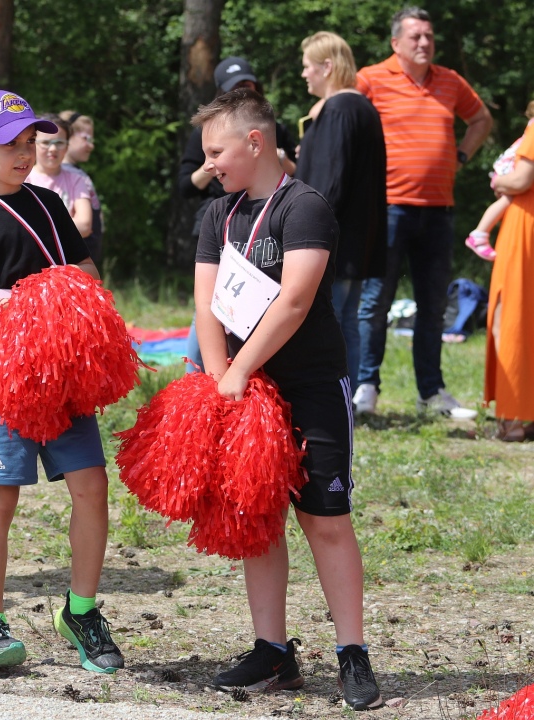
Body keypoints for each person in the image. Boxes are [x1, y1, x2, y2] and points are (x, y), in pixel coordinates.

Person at [192, 88, 381, 711]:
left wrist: (241, 368)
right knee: (259, 518)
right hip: (244, 387)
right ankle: (273, 651)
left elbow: (294, 301)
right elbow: (206, 304)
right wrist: (222, 377)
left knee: (325, 522)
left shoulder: (305, 207)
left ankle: (351, 653)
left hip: (309, 384)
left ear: (256, 142)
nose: (210, 164)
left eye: (217, 151)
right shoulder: (216, 214)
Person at [0, 90, 123, 673]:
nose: (24, 153)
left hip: (63, 373)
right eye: (10, 145)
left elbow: (87, 274)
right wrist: (27, 301)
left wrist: (71, 292)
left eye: (29, 143)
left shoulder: (48, 204)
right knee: (0, 499)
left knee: (91, 485)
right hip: (0, 375)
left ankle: (82, 611)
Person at [352, 6, 492, 418]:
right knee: (375, 303)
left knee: (433, 307)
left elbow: (481, 119)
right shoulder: (371, 78)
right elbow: (341, 120)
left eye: (429, 36)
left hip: (439, 212)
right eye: (415, 37)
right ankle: (365, 388)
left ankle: (431, 394)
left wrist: (461, 155)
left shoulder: (449, 81)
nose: (424, 43)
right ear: (396, 42)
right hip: (388, 209)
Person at [179, 57, 299, 372]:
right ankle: (196, 376)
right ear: (222, 93)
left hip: (264, 218)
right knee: (212, 307)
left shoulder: (300, 203)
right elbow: (185, 186)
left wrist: (277, 156)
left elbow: (295, 173)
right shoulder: (205, 138)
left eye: (250, 85)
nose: (246, 91)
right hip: (224, 224)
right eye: (237, 88)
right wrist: (213, 164)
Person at [295, 32, 387, 384]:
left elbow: (328, 184)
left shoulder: (339, 110)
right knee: (346, 319)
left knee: (325, 319)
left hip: (329, 242)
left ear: (327, 67)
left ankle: (330, 394)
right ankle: (345, 392)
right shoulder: (363, 107)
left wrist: (305, 233)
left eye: (307, 66)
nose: (304, 74)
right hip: (356, 240)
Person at [485, 111, 534, 441]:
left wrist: (498, 180)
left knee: (512, 318)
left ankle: (514, 418)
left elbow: (520, 180)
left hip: (525, 225)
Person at [464, 101, 534, 262]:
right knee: (507, 199)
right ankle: (479, 233)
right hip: (508, 173)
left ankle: (480, 233)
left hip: (509, 174)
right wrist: (501, 182)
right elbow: (519, 181)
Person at [26, 114, 94, 240]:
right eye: (45, 142)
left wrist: (40, 226)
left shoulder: (77, 180)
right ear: (33, 144)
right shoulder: (23, 180)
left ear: (67, 146)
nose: (53, 149)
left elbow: (85, 226)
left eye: (59, 143)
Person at [59, 110, 104, 268]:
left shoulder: (77, 173)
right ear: (68, 136)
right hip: (74, 259)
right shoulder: (64, 176)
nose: (91, 146)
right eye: (86, 138)